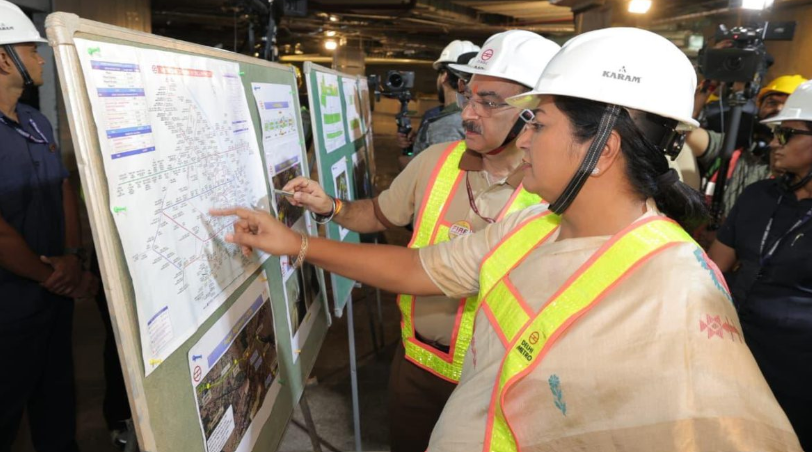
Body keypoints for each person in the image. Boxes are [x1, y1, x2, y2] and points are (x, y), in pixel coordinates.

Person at [213, 27, 801, 451]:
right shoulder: (530, 227)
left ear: (603, 149)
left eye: (538, 124)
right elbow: (420, 270)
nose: (523, 140)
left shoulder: (680, 297)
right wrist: (294, 245)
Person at [284, 30, 559, 452]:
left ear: (534, 112)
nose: (468, 112)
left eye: (489, 102)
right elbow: (379, 214)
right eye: (468, 96)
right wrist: (329, 207)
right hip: (415, 368)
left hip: (499, 386)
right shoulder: (435, 162)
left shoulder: (555, 196)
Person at [0, 1, 97, 450]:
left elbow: (63, 189)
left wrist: (74, 260)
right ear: (3, 58)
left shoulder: (36, 121)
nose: (41, 59)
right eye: (30, 49)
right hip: (10, 307)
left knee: (57, 407)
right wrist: (56, 278)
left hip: (51, 298)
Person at [708, 80, 812, 450]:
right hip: (732, 359)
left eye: (787, 133)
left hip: (798, 381)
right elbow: (711, 273)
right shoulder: (758, 196)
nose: (773, 142)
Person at [687, 73, 807, 217]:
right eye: (772, 102)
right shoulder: (732, 147)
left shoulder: (803, 178)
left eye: (788, 105)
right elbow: (684, 130)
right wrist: (709, 86)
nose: (779, 108)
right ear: (759, 107)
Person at [397, 39, 479, 169]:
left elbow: (439, 175)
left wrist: (408, 165)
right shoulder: (479, 115)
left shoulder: (446, 125)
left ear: (444, 76)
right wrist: (420, 141)